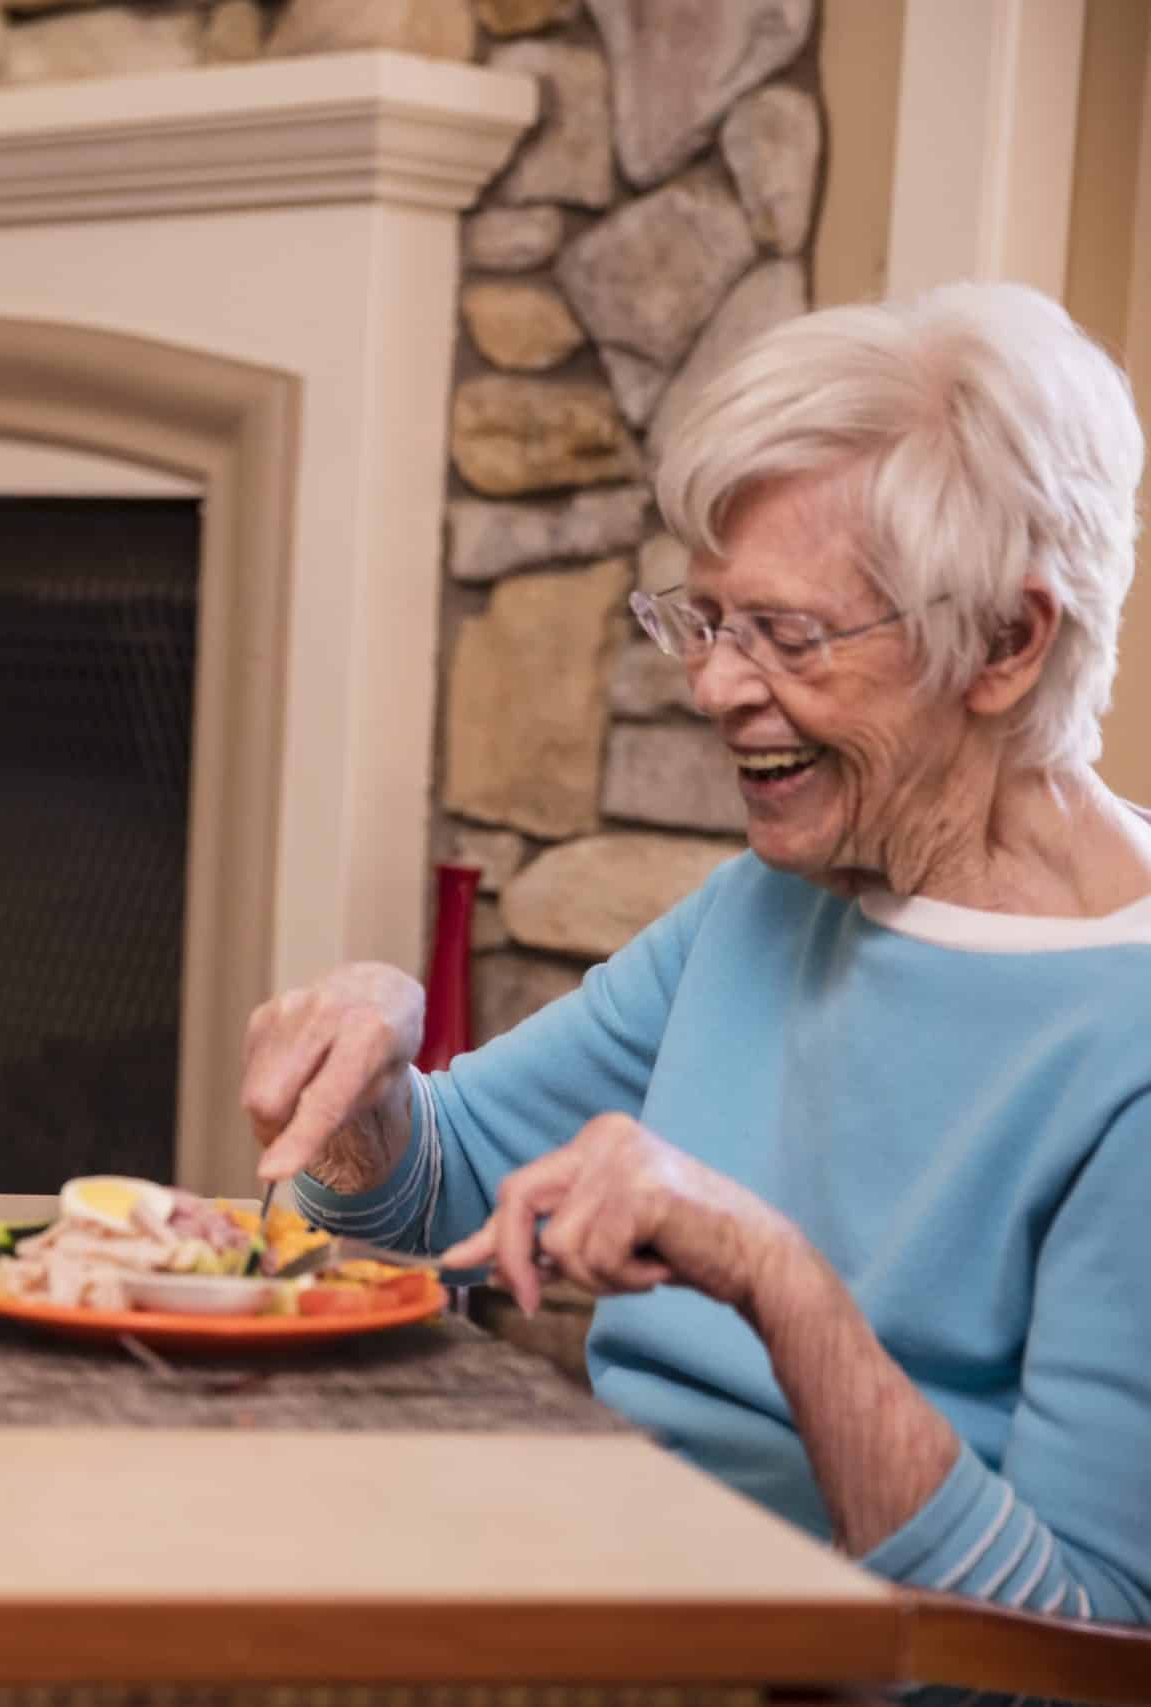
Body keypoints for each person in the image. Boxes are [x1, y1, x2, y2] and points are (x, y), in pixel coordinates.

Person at [241, 283, 1148, 1625]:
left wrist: (771, 1272)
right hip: (600, 1598)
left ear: (1008, 644)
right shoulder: (764, 907)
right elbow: (418, 1208)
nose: (715, 684)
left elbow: (1074, 1636)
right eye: (709, 620)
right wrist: (374, 1070)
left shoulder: (1122, 1045)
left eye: (789, 635)